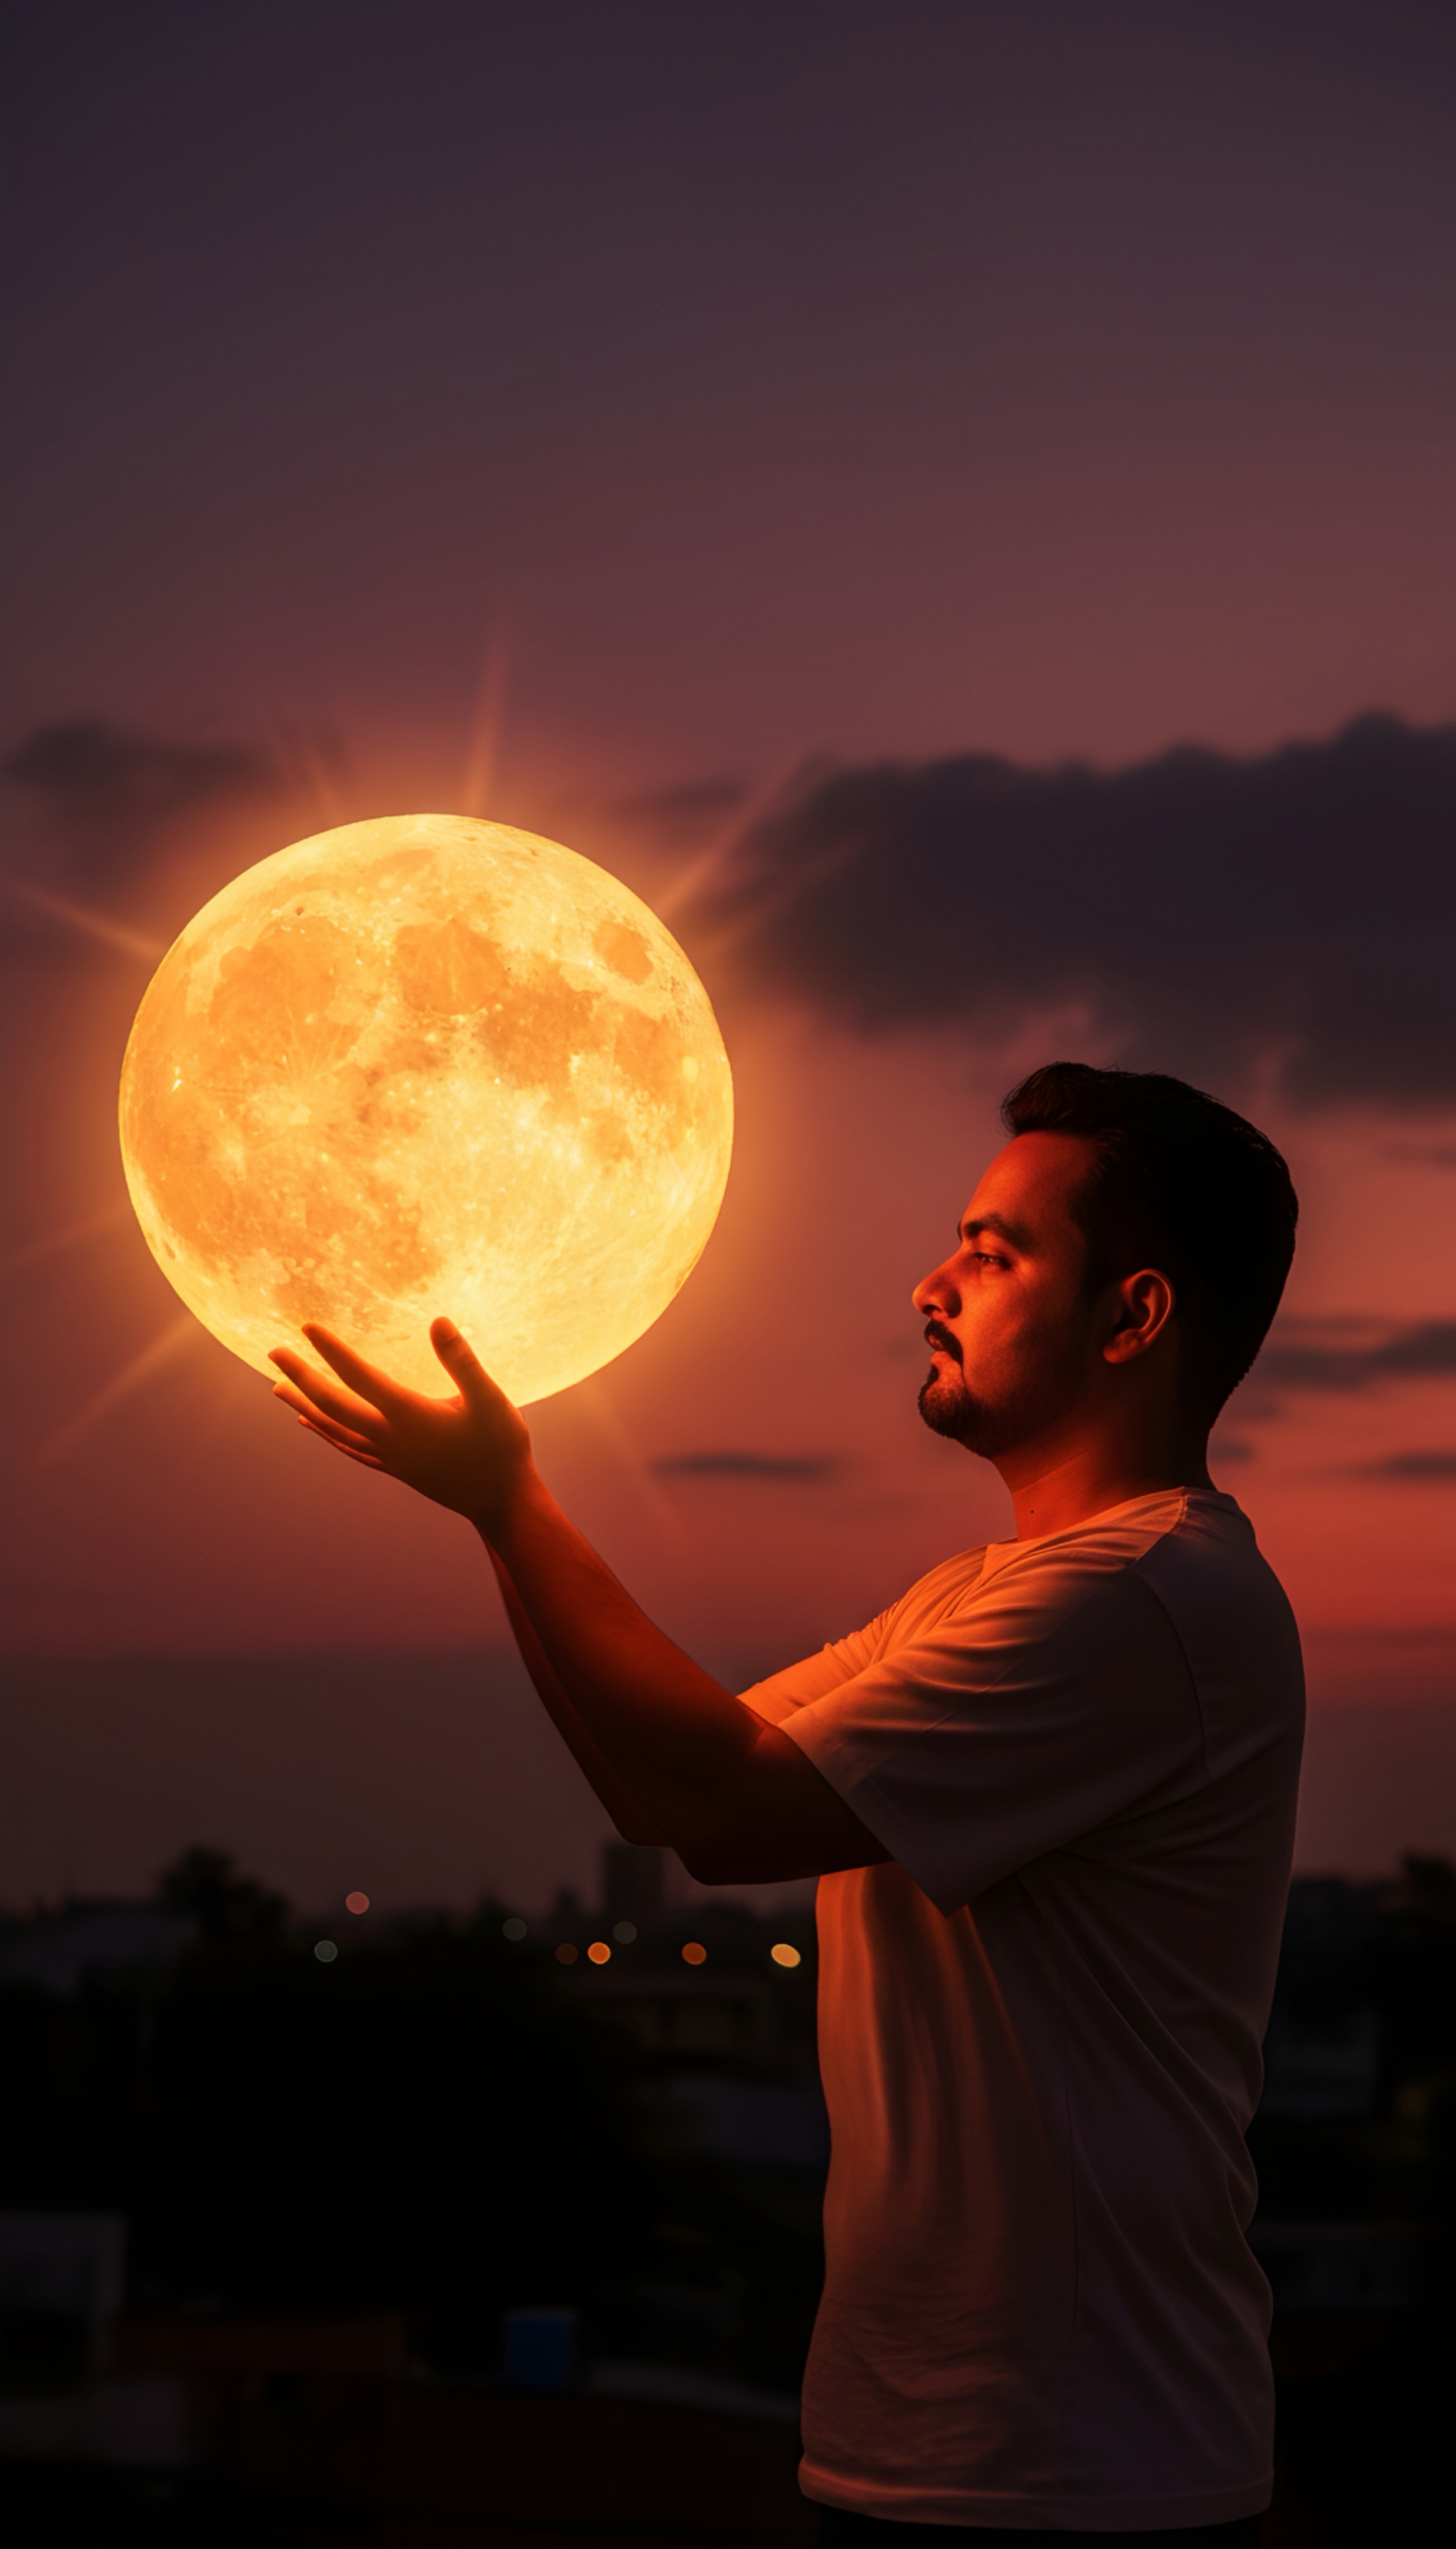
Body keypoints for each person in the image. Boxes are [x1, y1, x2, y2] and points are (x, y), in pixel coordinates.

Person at [271, 1060, 1303, 2544]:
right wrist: (495, 1511)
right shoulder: (982, 1597)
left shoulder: (1149, 1600)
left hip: (1086, 2475)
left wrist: (512, 1499)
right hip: (928, 2450)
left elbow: (722, 1803)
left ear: (1135, 1316)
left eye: (995, 1253)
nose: (928, 1284)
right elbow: (669, 1786)